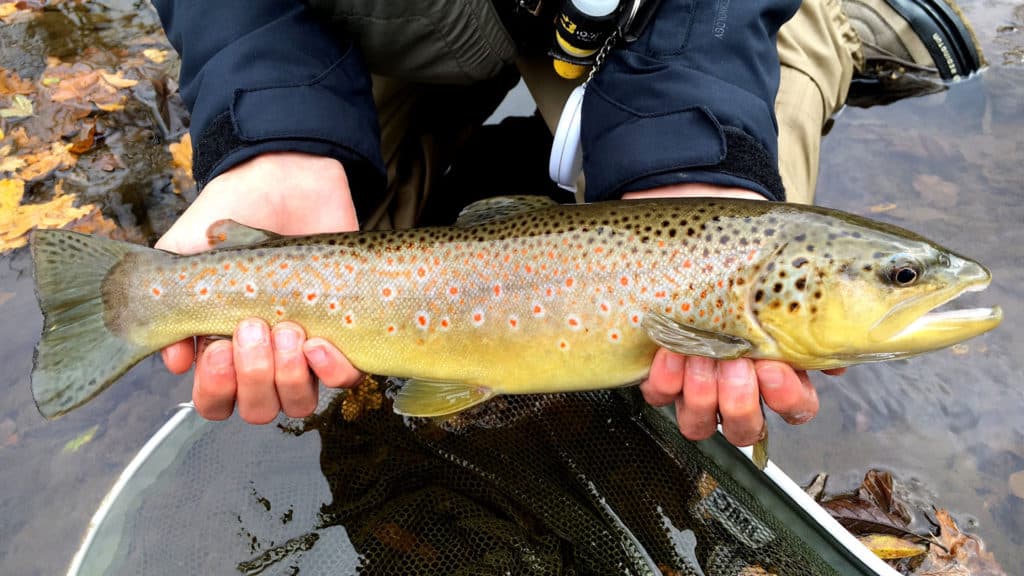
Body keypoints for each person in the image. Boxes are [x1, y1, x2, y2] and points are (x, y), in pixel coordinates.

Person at [150, 0, 983, 447]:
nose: (916, 283)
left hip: (663, 20)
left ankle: (847, 19)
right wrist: (271, 137)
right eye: (901, 276)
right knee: (325, 243)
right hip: (390, 16)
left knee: (757, 150)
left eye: (898, 274)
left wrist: (697, 161)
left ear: (784, 283)